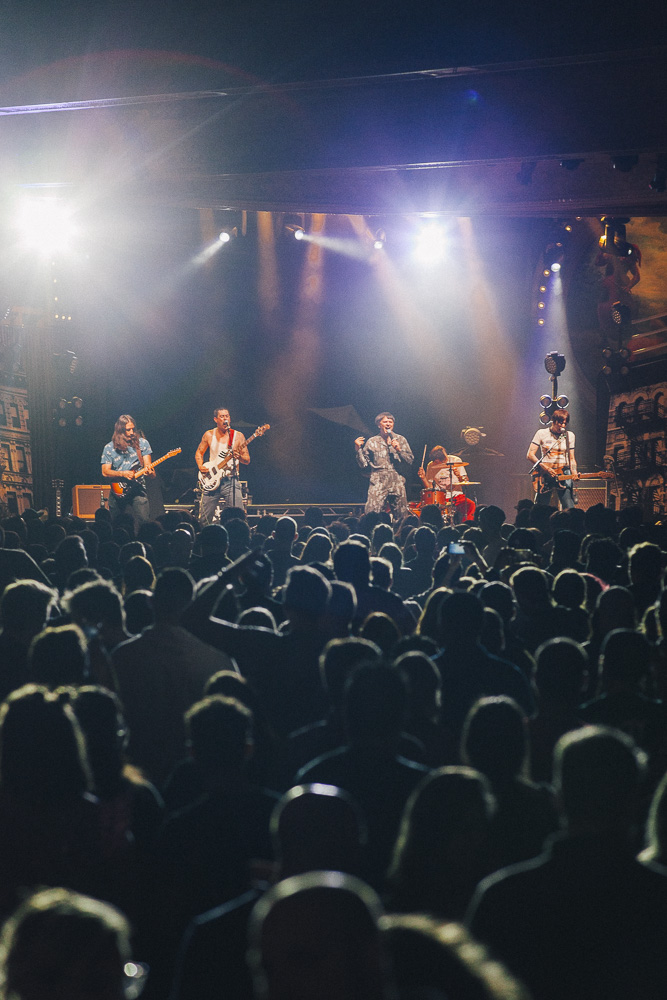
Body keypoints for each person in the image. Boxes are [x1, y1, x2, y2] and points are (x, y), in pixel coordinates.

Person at [195, 408, 250, 525]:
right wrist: (201, 466)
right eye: (222, 416)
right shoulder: (209, 435)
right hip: (212, 478)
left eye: (227, 416)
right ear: (215, 419)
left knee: (238, 516)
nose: (225, 419)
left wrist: (239, 457)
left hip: (230, 480)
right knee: (204, 518)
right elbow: (199, 453)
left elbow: (247, 460)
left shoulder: (238, 436)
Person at [101, 414, 155, 532]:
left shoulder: (143, 444)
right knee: (115, 524)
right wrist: (123, 474)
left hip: (138, 488)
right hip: (118, 490)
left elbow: (148, 467)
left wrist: (150, 472)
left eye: (133, 429)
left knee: (144, 522)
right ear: (120, 430)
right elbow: (105, 472)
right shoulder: (109, 448)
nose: (131, 432)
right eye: (128, 430)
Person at [354, 412, 413, 520]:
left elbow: (410, 461)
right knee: (372, 514)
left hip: (397, 480)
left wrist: (399, 450)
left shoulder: (401, 439)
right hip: (378, 481)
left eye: (390, 422)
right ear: (379, 424)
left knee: (402, 516)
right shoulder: (372, 441)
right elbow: (364, 465)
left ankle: (400, 534)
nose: (388, 424)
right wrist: (358, 449)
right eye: (385, 422)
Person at [527, 408, 579, 509]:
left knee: (569, 506)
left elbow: (572, 458)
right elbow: (530, 455)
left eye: (565, 423)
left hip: (564, 472)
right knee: (541, 507)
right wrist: (546, 468)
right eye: (560, 423)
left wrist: (574, 472)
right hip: (545, 474)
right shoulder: (541, 433)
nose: (562, 426)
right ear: (553, 421)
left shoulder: (569, 436)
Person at [418, 445, 475, 523]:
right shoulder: (431, 465)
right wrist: (423, 478)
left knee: (470, 505)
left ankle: (466, 526)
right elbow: (429, 487)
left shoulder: (455, 460)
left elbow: (466, 482)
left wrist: (459, 476)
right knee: (420, 507)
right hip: (440, 498)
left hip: (456, 496)